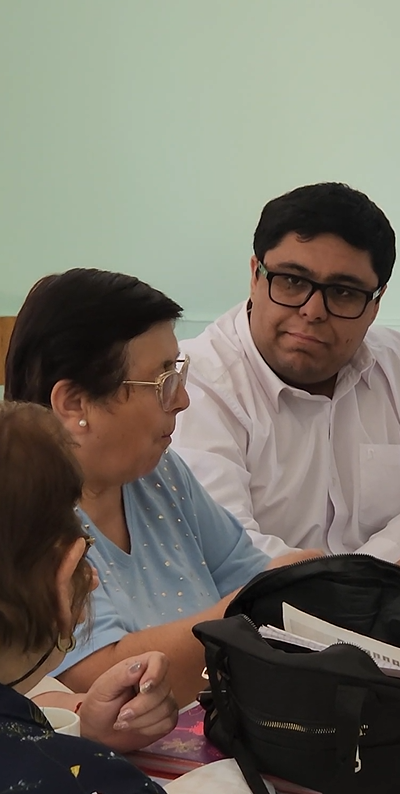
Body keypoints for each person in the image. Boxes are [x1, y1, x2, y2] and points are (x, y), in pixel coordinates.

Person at [4, 268, 319, 708]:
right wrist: (269, 598)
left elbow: (246, 574)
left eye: (178, 371)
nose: (182, 399)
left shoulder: (159, 474)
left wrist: (288, 587)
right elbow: (103, 684)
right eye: (162, 380)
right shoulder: (24, 513)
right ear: (74, 403)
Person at [172, 182, 400, 592]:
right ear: (255, 276)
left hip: (395, 616)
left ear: (375, 303)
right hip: (264, 625)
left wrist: (366, 572)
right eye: (292, 281)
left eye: (343, 292)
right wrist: (382, 574)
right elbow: (228, 556)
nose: (312, 311)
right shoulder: (195, 382)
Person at [0, 400, 173, 792]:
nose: (92, 581)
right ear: (62, 579)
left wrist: (80, 718)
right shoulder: (96, 780)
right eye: (86, 551)